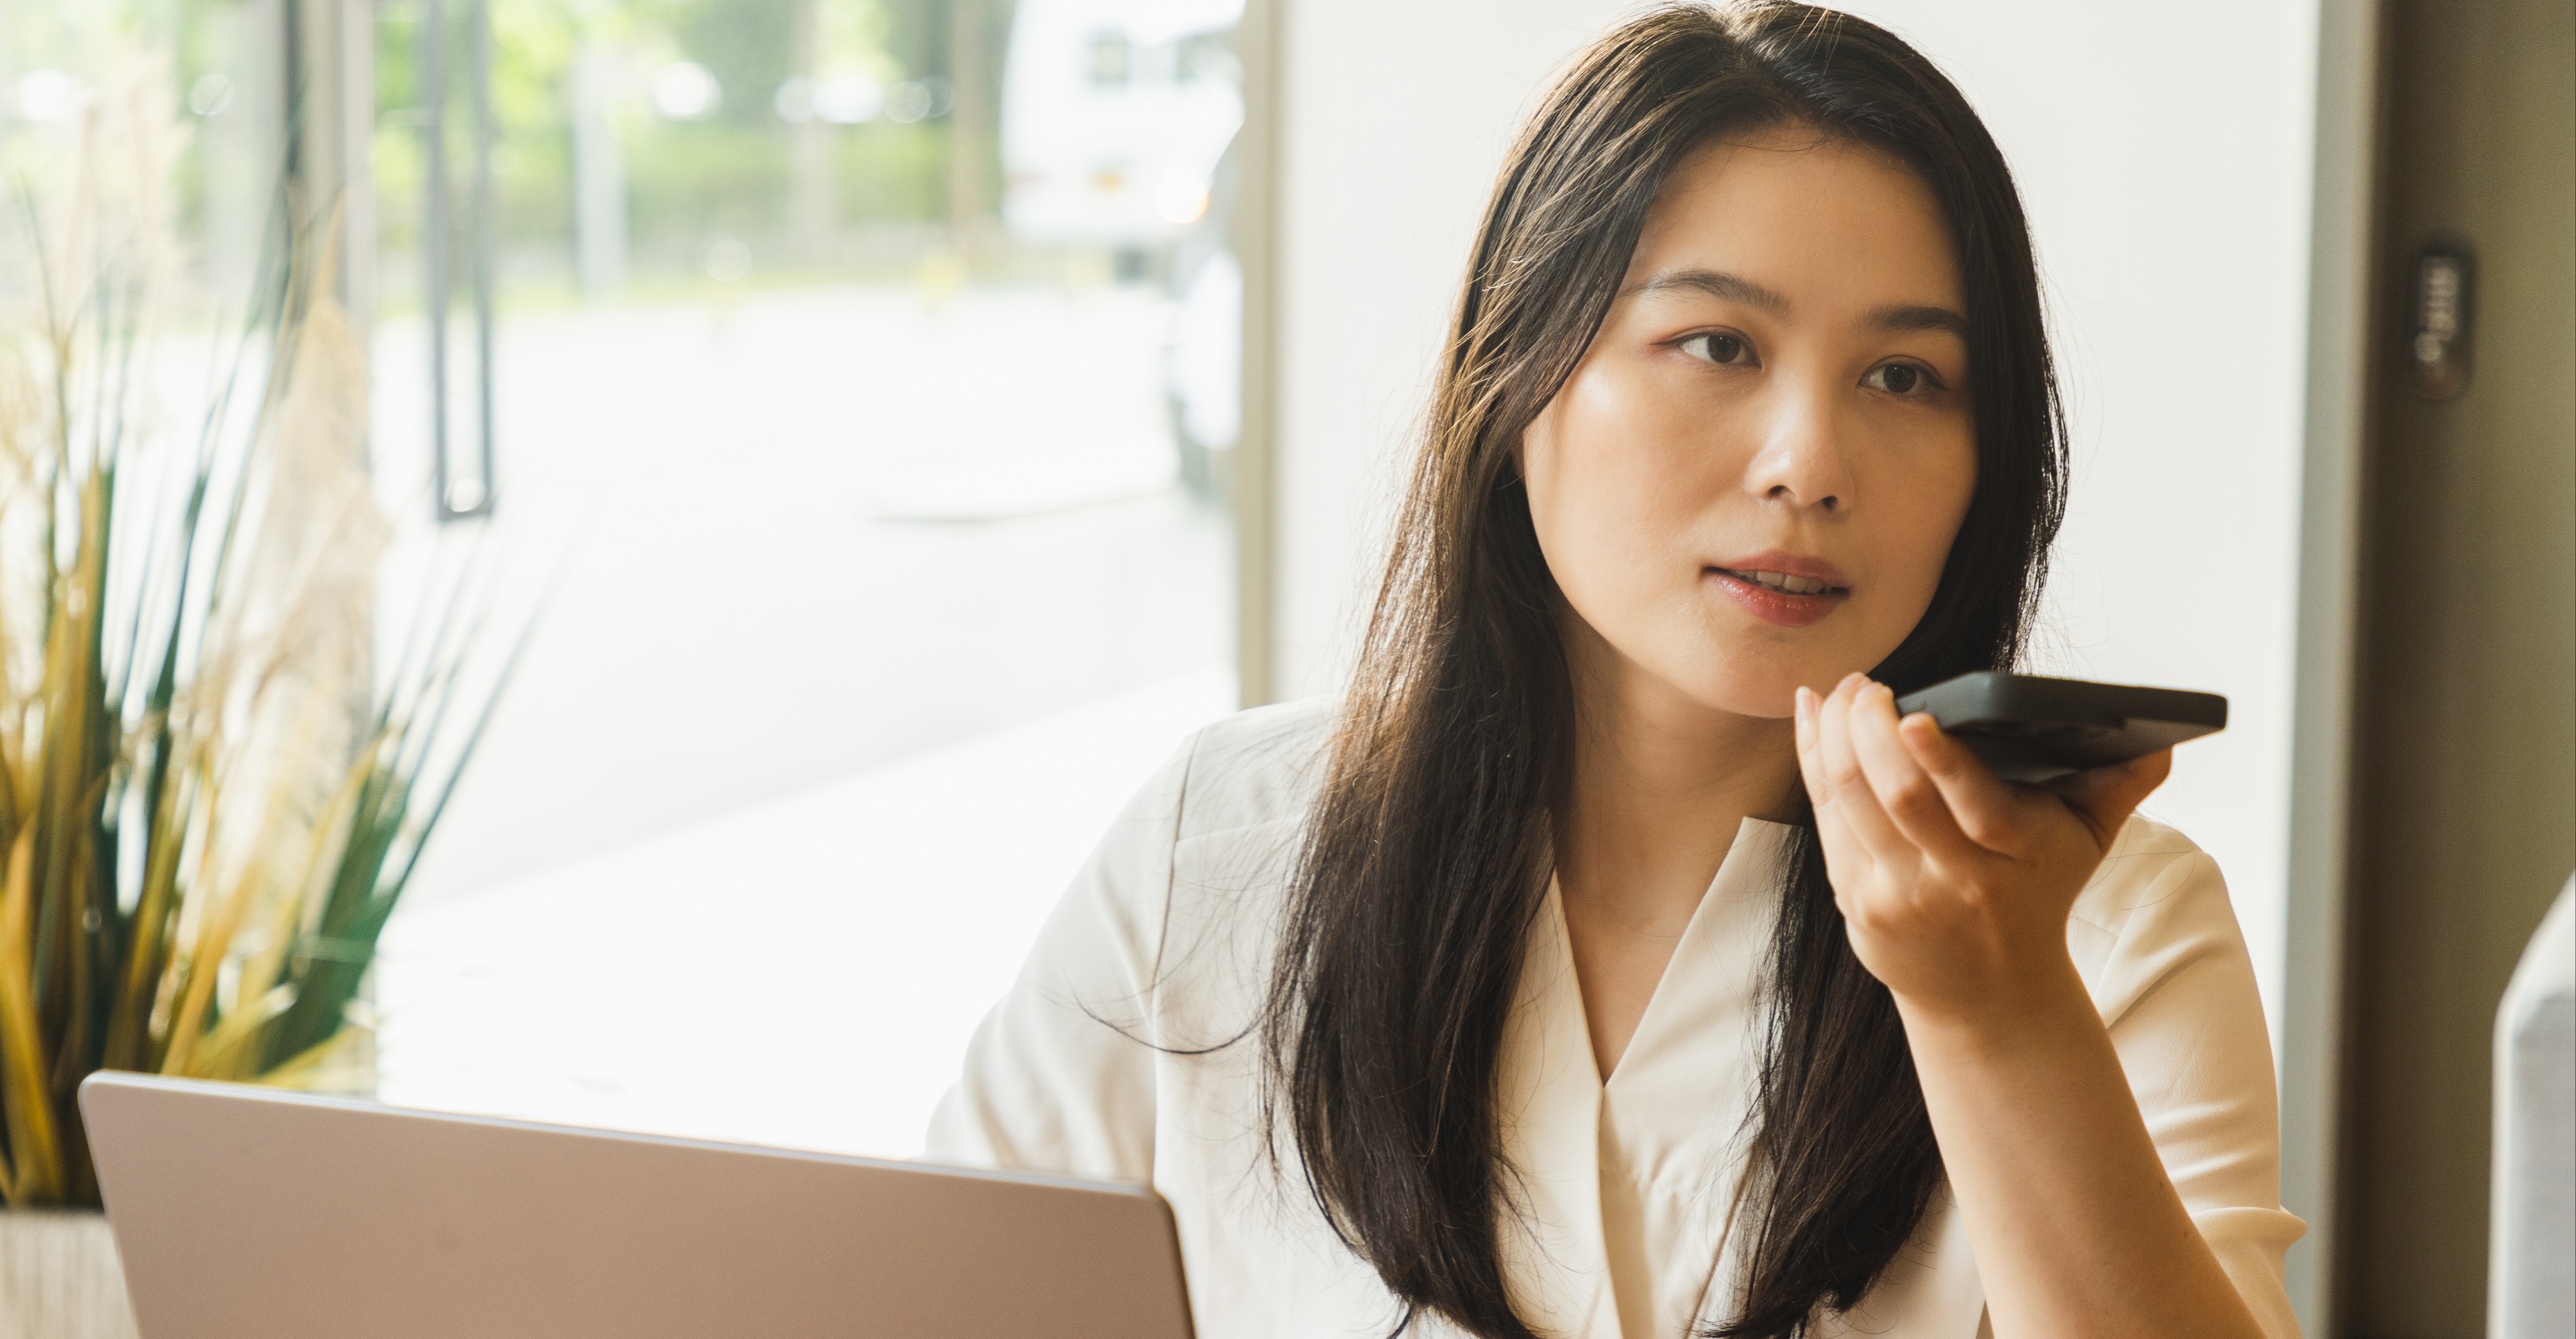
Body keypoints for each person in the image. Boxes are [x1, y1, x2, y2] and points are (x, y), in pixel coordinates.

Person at [924, 5, 2304, 1337]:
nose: (1808, 465)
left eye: (1903, 378)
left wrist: (1998, 1017)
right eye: (1717, 346)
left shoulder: (2110, 935)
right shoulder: (1220, 846)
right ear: (1517, 371)